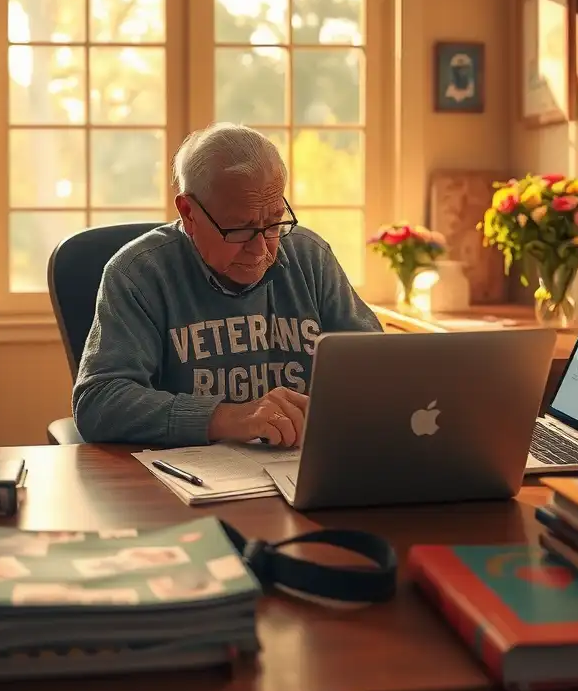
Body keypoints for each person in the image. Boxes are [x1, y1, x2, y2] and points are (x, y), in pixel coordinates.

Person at [72, 122, 382, 448]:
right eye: (239, 229)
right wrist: (228, 418)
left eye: (274, 222)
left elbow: (380, 369)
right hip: (185, 482)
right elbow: (99, 402)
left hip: (297, 468)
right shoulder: (138, 274)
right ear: (188, 212)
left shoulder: (310, 258)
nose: (262, 249)